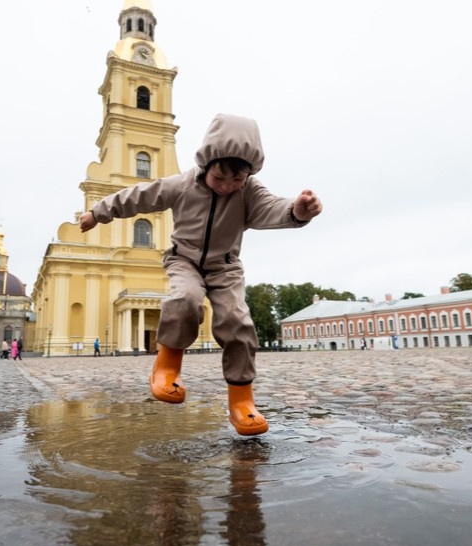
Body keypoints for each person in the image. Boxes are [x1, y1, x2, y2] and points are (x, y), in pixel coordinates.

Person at [79, 113, 322, 436]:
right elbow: (139, 196)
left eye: (236, 181)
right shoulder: (181, 184)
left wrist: (297, 210)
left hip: (225, 267)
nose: (226, 187)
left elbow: (272, 207)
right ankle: (167, 368)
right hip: (185, 261)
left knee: (237, 321)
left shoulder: (248, 191)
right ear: (207, 165)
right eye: (219, 178)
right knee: (184, 299)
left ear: (248, 175)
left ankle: (241, 400)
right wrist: (97, 212)